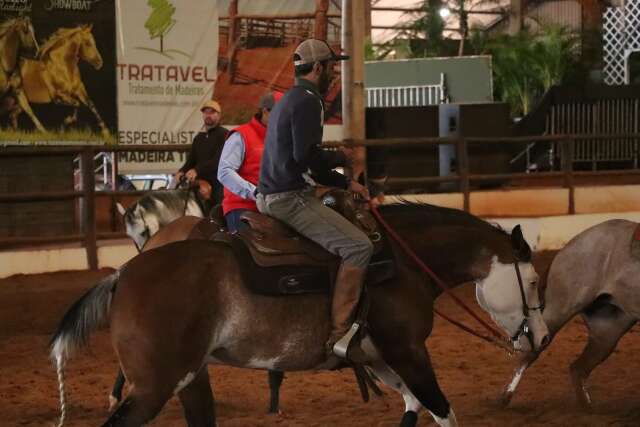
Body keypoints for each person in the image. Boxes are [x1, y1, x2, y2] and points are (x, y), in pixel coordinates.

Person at [256, 39, 373, 362]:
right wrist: (346, 176)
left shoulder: (287, 98)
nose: (334, 72)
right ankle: (340, 334)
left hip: (268, 193)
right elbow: (305, 157)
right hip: (288, 197)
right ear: (319, 68)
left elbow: (301, 157)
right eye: (332, 66)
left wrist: (340, 178)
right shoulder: (310, 100)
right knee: (359, 247)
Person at [217, 91, 283, 232]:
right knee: (248, 251)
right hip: (243, 205)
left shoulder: (283, 138)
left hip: (277, 206)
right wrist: (255, 192)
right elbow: (224, 171)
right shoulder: (241, 135)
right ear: (265, 111)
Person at [175, 100, 228, 210]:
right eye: (206, 112)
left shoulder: (224, 134)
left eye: (212, 112)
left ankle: (221, 224)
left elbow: (218, 160)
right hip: (199, 181)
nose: (208, 115)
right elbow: (191, 160)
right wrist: (182, 171)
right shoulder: (199, 138)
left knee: (219, 207)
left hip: (218, 181)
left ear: (219, 115)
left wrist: (197, 170)